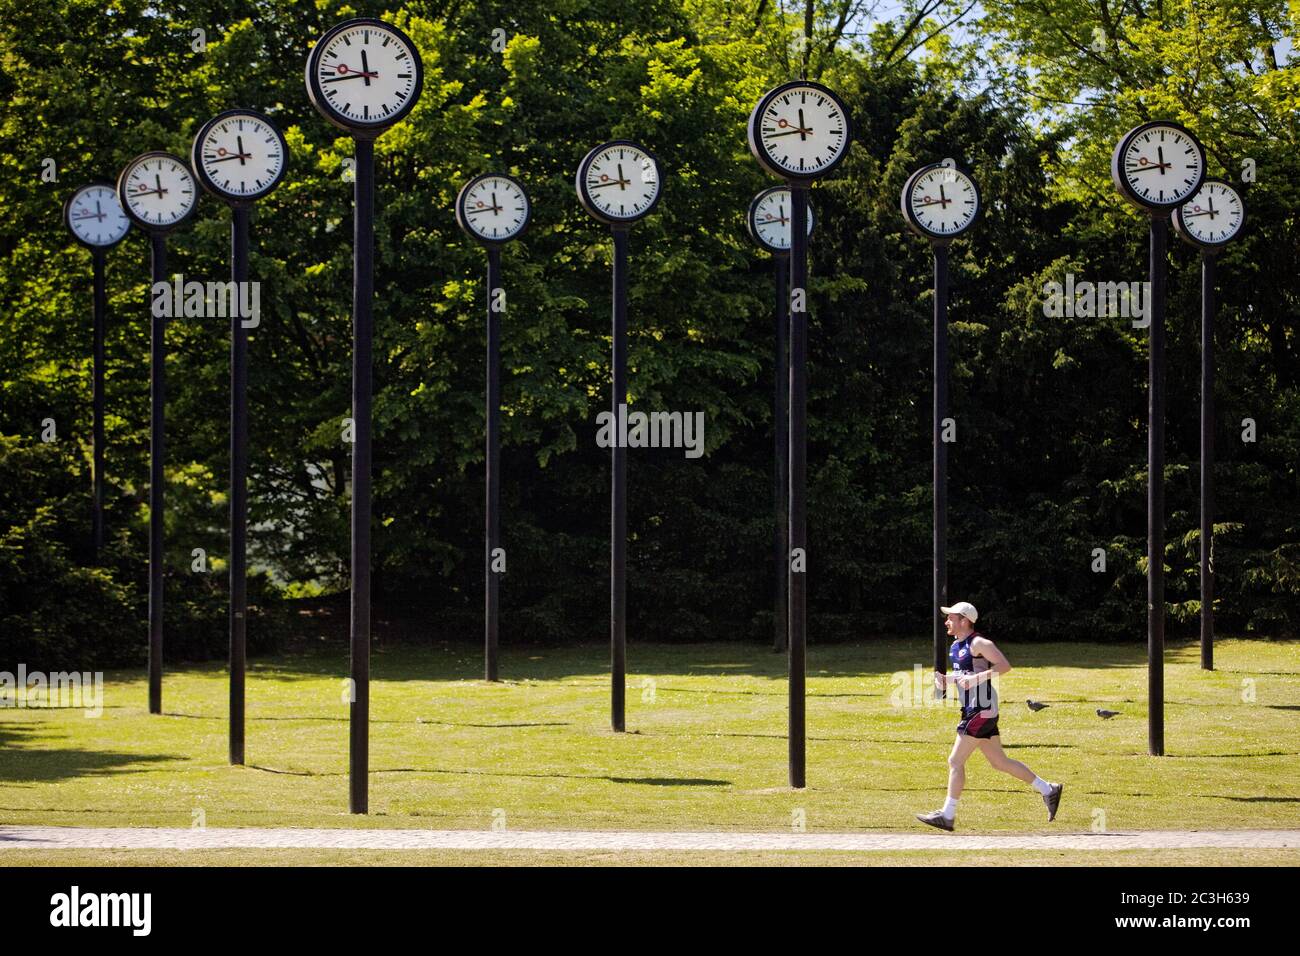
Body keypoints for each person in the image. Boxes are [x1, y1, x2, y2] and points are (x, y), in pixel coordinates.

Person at [915, 601, 1062, 831]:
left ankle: (948, 815)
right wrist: (947, 680)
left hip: (981, 709)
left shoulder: (979, 643)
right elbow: (965, 675)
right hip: (975, 709)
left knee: (955, 760)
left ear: (964, 620)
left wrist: (976, 679)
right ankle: (1049, 789)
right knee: (999, 762)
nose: (947, 622)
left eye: (951, 618)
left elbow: (1004, 666)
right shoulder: (956, 646)